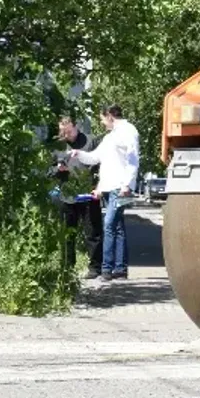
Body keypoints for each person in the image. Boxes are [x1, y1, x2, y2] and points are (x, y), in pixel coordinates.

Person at [69, 104, 140, 281]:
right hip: (109, 187)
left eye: (102, 119)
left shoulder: (128, 131)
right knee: (117, 226)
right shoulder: (110, 137)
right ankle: (121, 269)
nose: (102, 123)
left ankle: (107, 269)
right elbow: (95, 157)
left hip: (120, 187)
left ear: (109, 116)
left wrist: (127, 185)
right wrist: (78, 153)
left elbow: (133, 159)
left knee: (108, 224)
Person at [51, 116, 104, 278]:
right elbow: (49, 169)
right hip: (67, 195)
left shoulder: (90, 141)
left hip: (88, 194)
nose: (67, 135)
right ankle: (68, 266)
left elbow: (102, 164)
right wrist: (57, 170)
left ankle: (95, 268)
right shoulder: (59, 145)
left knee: (93, 232)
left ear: (76, 126)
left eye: (69, 131)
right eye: (63, 132)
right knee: (68, 234)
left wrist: (99, 186)